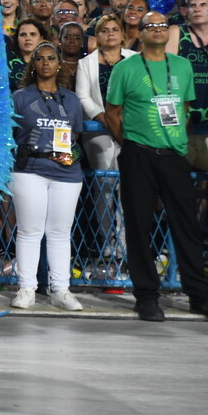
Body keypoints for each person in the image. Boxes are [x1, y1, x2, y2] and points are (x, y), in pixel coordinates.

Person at [105, 11, 208, 322]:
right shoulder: (125, 69)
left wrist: (176, 142)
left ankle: (200, 295)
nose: (157, 30)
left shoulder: (182, 66)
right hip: (138, 153)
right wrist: (128, 144)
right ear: (139, 34)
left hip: (173, 155)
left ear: (169, 32)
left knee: (187, 225)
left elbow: (182, 108)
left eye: (161, 25)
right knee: (139, 226)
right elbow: (112, 113)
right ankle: (146, 297)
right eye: (150, 26)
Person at [9, 42, 84, 311]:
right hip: (30, 170)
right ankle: (27, 288)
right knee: (30, 231)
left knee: (60, 233)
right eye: (39, 59)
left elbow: (75, 135)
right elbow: (11, 134)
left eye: (51, 58)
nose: (45, 63)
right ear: (33, 65)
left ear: (59, 63)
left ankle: (61, 290)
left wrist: (66, 155)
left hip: (66, 172)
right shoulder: (20, 97)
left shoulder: (72, 100)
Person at [75, 13, 133, 265]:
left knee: (128, 188)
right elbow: (83, 97)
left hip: (131, 130)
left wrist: (122, 122)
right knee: (105, 188)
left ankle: (125, 243)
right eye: (104, 30)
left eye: (114, 29)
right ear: (96, 36)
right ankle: (108, 240)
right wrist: (105, 119)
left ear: (122, 34)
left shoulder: (135, 60)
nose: (110, 33)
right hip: (98, 132)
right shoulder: (85, 63)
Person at [167, 0, 208, 174]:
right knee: (180, 174)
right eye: (192, 5)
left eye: (203, 5)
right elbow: (166, 75)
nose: (197, 9)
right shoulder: (176, 31)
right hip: (184, 113)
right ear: (185, 11)